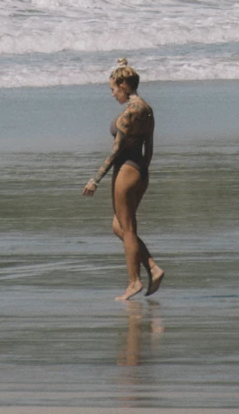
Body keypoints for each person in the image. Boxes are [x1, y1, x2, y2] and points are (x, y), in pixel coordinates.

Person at [83, 57, 165, 300]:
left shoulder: (130, 112)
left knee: (127, 228)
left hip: (126, 170)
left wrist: (95, 179)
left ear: (123, 86)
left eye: (113, 89)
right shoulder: (147, 109)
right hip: (139, 169)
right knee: (119, 226)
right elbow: (149, 147)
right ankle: (152, 267)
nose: (112, 95)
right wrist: (144, 173)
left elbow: (116, 150)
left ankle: (134, 282)